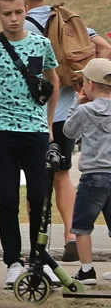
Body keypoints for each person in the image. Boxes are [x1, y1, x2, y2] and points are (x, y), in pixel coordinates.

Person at [0, 0, 59, 289]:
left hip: (35, 131)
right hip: (1, 131)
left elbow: (53, 80)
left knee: (39, 198)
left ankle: (39, 259)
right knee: (7, 199)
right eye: (7, 14)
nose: (14, 19)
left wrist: (49, 124)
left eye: (19, 12)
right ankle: (12, 262)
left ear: (26, 10)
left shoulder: (41, 44)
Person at [14, 0, 109, 262]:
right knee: (62, 174)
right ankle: (70, 236)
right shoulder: (67, 22)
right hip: (66, 111)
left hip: (35, 116)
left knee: (35, 179)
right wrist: (91, 83)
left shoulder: (22, 26)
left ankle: (38, 242)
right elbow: (104, 48)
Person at [61, 58, 111, 285]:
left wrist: (76, 104)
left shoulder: (85, 110)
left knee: (82, 225)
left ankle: (87, 270)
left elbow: (69, 131)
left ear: (89, 85)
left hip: (93, 176)